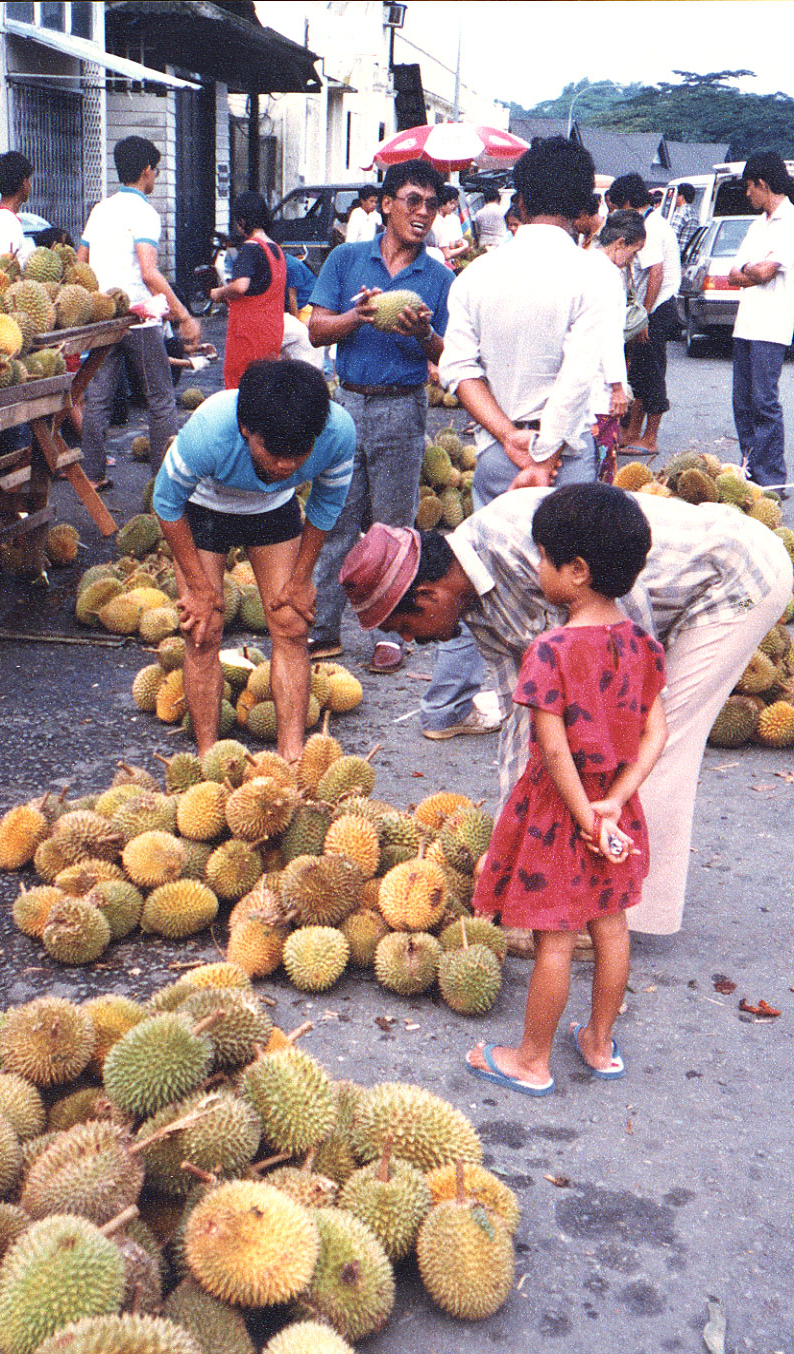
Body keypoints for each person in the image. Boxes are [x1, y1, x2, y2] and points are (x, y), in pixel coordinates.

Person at [337, 487, 792, 941]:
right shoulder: (477, 610)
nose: (414, 643)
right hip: (671, 600)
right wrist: (509, 846)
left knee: (652, 744)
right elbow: (529, 721)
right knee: (614, 754)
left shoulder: (518, 541)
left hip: (733, 577)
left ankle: (619, 915)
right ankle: (598, 902)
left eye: (405, 628)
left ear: (428, 594)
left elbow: (624, 658)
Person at [465, 485, 667, 1095]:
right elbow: (657, 733)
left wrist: (582, 817)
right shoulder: (643, 645)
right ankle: (599, 1044)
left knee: (556, 938)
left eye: (544, 556)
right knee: (611, 924)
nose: (535, 565)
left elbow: (554, 751)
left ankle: (531, 1059)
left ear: (575, 572)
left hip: (561, 811)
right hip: (615, 807)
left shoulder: (548, 652)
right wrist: (613, 803)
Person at [423, 137, 609, 741]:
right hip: (563, 467)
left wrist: (508, 439)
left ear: (520, 200)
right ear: (583, 206)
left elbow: (458, 368)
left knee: (472, 577)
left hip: (499, 459)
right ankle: (562, 725)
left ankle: (444, 709)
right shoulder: (594, 275)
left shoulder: (478, 275)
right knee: (572, 593)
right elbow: (581, 375)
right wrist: (547, 453)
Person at [151, 360, 355, 762]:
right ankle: (211, 755)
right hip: (205, 507)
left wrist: (301, 578)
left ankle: (292, 754)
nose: (285, 466)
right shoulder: (209, 431)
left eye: (299, 454)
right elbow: (166, 502)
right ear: (247, 431)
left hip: (273, 509)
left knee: (292, 624)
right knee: (203, 629)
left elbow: (326, 506)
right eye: (274, 453)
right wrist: (200, 587)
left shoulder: (337, 433)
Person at [306, 159, 453, 673]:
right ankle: (322, 626)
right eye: (413, 200)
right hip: (346, 404)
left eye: (432, 204)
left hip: (402, 406)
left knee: (393, 527)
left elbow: (447, 356)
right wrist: (356, 317)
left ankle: (394, 634)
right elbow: (316, 331)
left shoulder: (437, 277)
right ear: (387, 204)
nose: (424, 212)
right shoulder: (346, 260)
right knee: (335, 522)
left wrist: (421, 336)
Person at [78, 135, 200, 485]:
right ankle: (163, 481)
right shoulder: (144, 213)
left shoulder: (100, 210)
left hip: (104, 316)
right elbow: (149, 272)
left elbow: (80, 262)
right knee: (160, 398)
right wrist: (184, 316)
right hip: (139, 316)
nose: (156, 176)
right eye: (155, 170)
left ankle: (94, 475)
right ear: (146, 170)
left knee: (98, 397)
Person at [727, 151, 794, 490]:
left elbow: (765, 273)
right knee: (742, 401)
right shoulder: (757, 225)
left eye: (749, 187)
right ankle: (749, 471)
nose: (747, 194)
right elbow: (733, 274)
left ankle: (772, 479)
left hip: (771, 325)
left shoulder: (791, 224)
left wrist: (753, 271)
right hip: (746, 324)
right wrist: (753, 271)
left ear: (763, 184)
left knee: (764, 403)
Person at [607, 173, 681, 458]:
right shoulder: (646, 222)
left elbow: (656, 273)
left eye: (615, 207)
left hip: (658, 307)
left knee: (651, 372)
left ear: (626, 202)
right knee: (638, 370)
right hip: (649, 307)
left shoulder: (650, 227)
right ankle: (632, 432)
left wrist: (644, 317)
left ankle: (650, 438)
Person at [588, 210, 646, 482]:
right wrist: (617, 389)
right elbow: (609, 336)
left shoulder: (584, 262)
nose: (631, 261)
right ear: (620, 242)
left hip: (577, 385)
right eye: (633, 252)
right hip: (600, 391)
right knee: (599, 472)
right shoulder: (610, 276)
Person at [211, 193, 287, 390]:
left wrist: (219, 293)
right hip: (272, 332)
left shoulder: (250, 248)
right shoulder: (276, 249)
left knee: (241, 388)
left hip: (249, 334)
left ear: (242, 220)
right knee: (265, 387)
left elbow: (240, 286)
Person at [430, 186, 469, 266]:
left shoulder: (452, 219)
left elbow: (445, 243)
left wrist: (457, 244)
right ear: (442, 204)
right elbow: (446, 255)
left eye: (455, 203)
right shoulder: (438, 222)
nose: (454, 206)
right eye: (451, 203)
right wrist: (464, 248)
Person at [670, 182, 699, 252]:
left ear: (682, 197)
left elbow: (672, 237)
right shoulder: (693, 212)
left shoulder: (680, 212)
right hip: (688, 254)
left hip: (678, 254)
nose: (675, 197)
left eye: (676, 195)